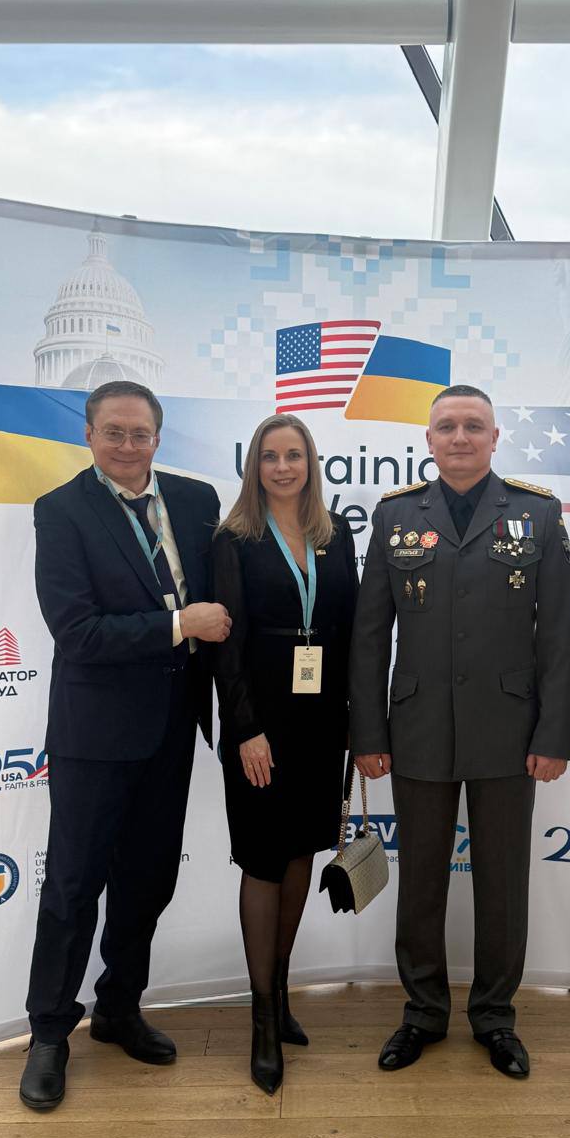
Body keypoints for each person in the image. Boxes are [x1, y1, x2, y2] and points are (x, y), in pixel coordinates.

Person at [350, 384, 570, 1079]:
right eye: (447, 426)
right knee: (420, 880)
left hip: (510, 731)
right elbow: (369, 636)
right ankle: (422, 1013)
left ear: (494, 438)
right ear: (428, 440)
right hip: (418, 726)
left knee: (503, 883)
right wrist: (368, 732)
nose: (459, 437)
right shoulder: (395, 515)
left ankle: (495, 1018)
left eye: (473, 426)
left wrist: (554, 734)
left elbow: (562, 636)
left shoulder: (537, 514)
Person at [21, 380, 231, 1110]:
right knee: (73, 885)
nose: (127, 445)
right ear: (88, 434)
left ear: (158, 437)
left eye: (140, 433)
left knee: (147, 880)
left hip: (173, 727)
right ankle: (49, 1032)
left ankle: (119, 1007)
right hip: (94, 732)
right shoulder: (61, 510)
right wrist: (178, 625)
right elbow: (76, 632)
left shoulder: (197, 500)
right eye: (113, 431)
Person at [212, 412, 358, 1095]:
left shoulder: (336, 534)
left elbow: (352, 630)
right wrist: (245, 728)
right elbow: (226, 644)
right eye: (270, 456)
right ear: (255, 466)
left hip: (321, 720)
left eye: (293, 455)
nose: (282, 467)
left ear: (310, 462)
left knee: (301, 851)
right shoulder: (234, 538)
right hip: (261, 720)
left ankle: (280, 988)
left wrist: (355, 721)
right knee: (265, 858)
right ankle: (262, 1019)